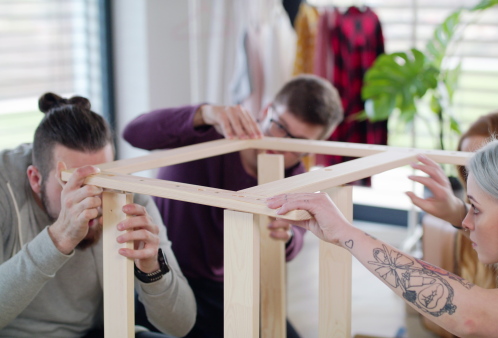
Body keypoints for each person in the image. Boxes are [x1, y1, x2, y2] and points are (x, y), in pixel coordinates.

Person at [267, 130, 498, 337]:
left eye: (476, 209)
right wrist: (461, 212)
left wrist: (345, 233)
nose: (467, 221)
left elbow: (473, 317)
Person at [123, 74, 343, 337]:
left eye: (297, 144)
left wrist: (285, 238)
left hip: (227, 286)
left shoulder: (296, 177)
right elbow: (133, 132)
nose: (281, 146)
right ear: (265, 110)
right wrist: (204, 113)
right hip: (162, 273)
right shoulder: (211, 131)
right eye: (279, 127)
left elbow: (294, 237)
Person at [0, 93, 196, 337]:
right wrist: (57, 240)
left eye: (102, 180)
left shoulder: (125, 194)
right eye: (72, 184)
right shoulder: (4, 192)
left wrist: (153, 269)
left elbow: (182, 324)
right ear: (35, 178)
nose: (93, 199)